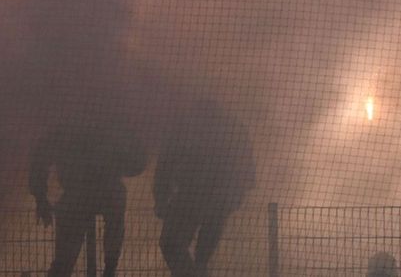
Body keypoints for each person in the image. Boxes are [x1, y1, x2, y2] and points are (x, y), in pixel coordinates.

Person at [29, 118, 147, 277]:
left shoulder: (66, 129)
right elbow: (138, 161)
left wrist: (41, 198)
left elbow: (39, 158)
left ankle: (107, 268)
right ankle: (110, 268)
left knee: (64, 260)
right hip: (99, 192)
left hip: (78, 195)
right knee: (115, 211)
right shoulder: (115, 127)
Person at [154, 97, 257, 277]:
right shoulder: (233, 128)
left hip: (195, 197)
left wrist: (161, 198)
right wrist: (237, 194)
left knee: (172, 244)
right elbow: (246, 169)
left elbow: (165, 164)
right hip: (216, 200)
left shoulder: (186, 127)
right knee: (196, 256)